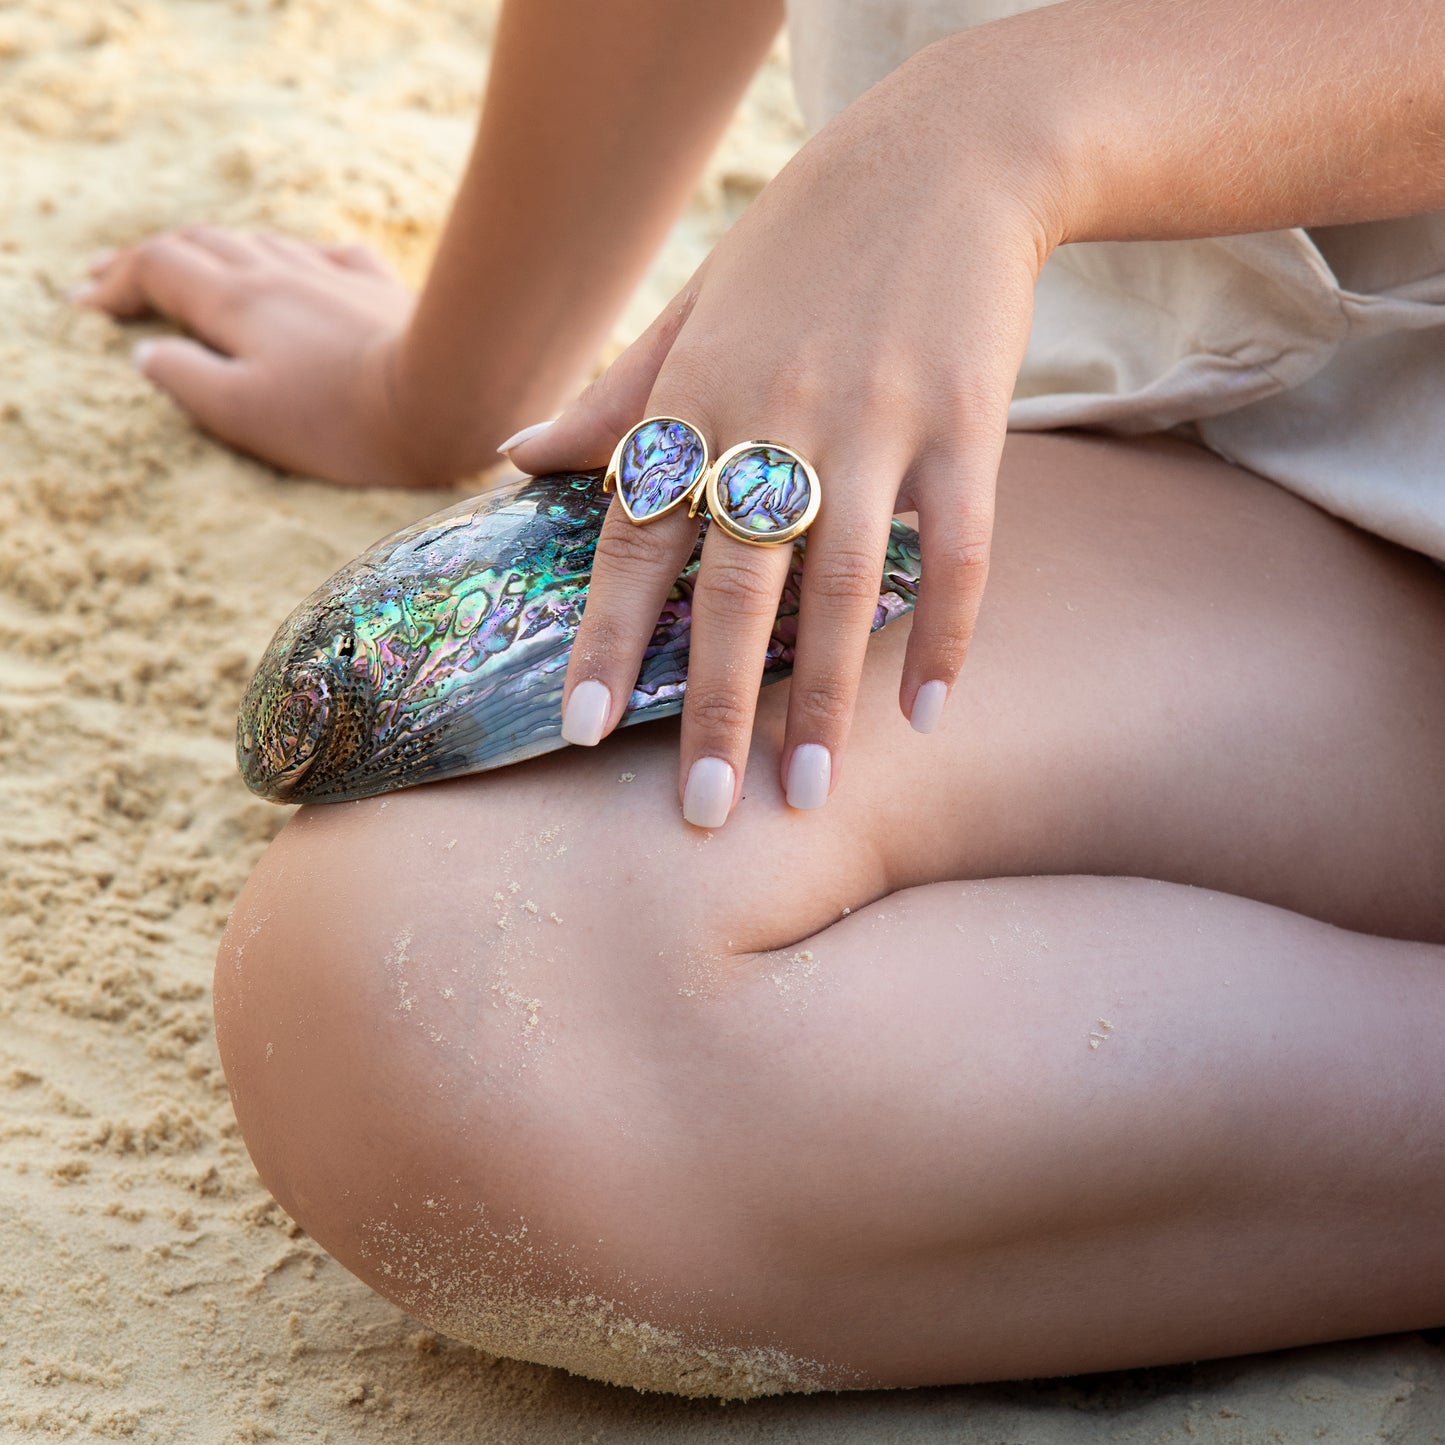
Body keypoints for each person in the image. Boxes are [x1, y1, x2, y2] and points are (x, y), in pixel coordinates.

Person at [79, 0, 1445, 1396]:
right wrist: (443, 386)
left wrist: (1002, 126)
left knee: (472, 1023)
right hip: (1183, 441)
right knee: (472, 994)